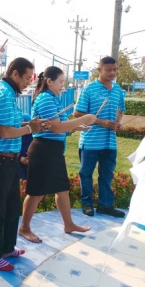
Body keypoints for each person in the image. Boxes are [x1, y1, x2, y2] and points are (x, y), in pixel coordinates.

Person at [0, 57, 49, 271]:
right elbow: (5, 132)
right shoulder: (3, 95)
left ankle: (6, 247)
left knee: (11, 207)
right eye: (27, 77)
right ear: (14, 74)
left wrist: (30, 123)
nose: (29, 82)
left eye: (31, 77)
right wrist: (31, 129)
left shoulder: (10, 94)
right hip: (0, 159)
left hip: (9, 159)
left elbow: (12, 123)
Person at [19, 66, 96, 244]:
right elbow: (57, 127)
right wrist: (83, 119)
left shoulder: (53, 98)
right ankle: (24, 227)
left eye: (64, 82)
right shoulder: (45, 98)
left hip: (52, 150)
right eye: (61, 82)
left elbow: (58, 126)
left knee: (62, 190)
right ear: (49, 81)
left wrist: (76, 127)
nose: (63, 85)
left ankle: (68, 224)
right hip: (43, 150)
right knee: (36, 193)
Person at [74, 56, 126, 217]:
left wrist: (118, 123)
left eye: (115, 70)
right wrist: (100, 121)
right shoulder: (89, 89)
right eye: (108, 70)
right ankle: (87, 204)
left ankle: (105, 205)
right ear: (99, 70)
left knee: (107, 175)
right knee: (86, 174)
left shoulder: (117, 89)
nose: (112, 73)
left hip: (110, 142)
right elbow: (77, 113)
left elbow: (120, 109)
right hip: (90, 140)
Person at [19, 114, 33, 181]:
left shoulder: (33, 136)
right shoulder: (18, 136)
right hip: (19, 161)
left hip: (31, 161)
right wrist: (21, 157)